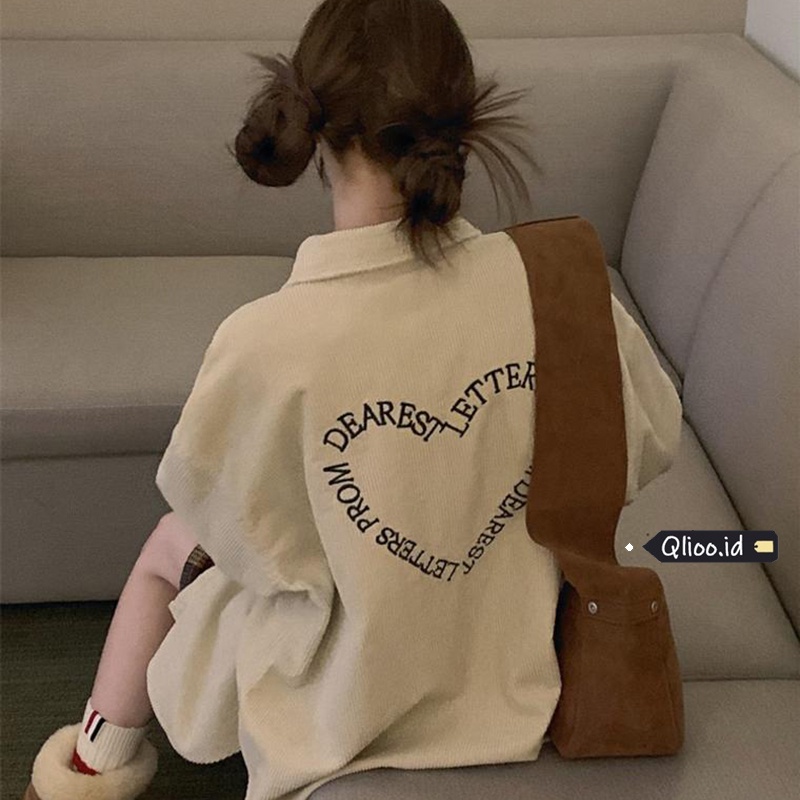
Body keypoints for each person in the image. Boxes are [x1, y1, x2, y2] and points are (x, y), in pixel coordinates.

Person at [24, 2, 683, 799]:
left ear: (316, 134)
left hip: (340, 704)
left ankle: (90, 771)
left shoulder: (266, 343)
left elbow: (241, 534)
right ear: (462, 118)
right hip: (519, 669)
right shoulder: (567, 292)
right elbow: (646, 445)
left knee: (170, 546)